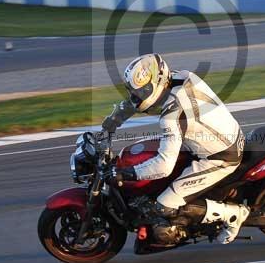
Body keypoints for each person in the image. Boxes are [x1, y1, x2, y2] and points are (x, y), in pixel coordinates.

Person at [102, 53, 250, 244]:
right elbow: (135, 103)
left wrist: (125, 174)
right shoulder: (180, 77)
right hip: (222, 136)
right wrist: (113, 120)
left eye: (142, 91)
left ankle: (234, 215)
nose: (137, 96)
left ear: (156, 83)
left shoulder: (172, 115)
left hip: (219, 156)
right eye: (135, 91)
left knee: (165, 205)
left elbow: (164, 166)